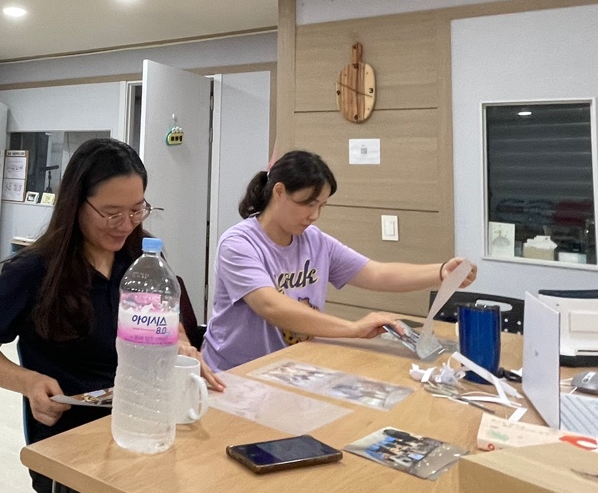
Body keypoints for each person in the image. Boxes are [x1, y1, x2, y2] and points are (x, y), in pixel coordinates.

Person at [0, 137, 221, 493]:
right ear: (76, 204)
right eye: (111, 212)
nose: (126, 224)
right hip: (70, 446)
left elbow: (169, 325)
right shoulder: (33, 271)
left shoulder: (143, 261)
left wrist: (182, 345)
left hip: (142, 423)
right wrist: (28, 382)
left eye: (137, 210)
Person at [203, 150, 476, 372]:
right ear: (279, 192)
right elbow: (271, 306)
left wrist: (441, 272)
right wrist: (352, 329)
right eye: (308, 203)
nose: (314, 215)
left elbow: (375, 273)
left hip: (289, 367)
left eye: (321, 206)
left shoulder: (314, 240)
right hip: (235, 373)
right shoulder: (239, 243)